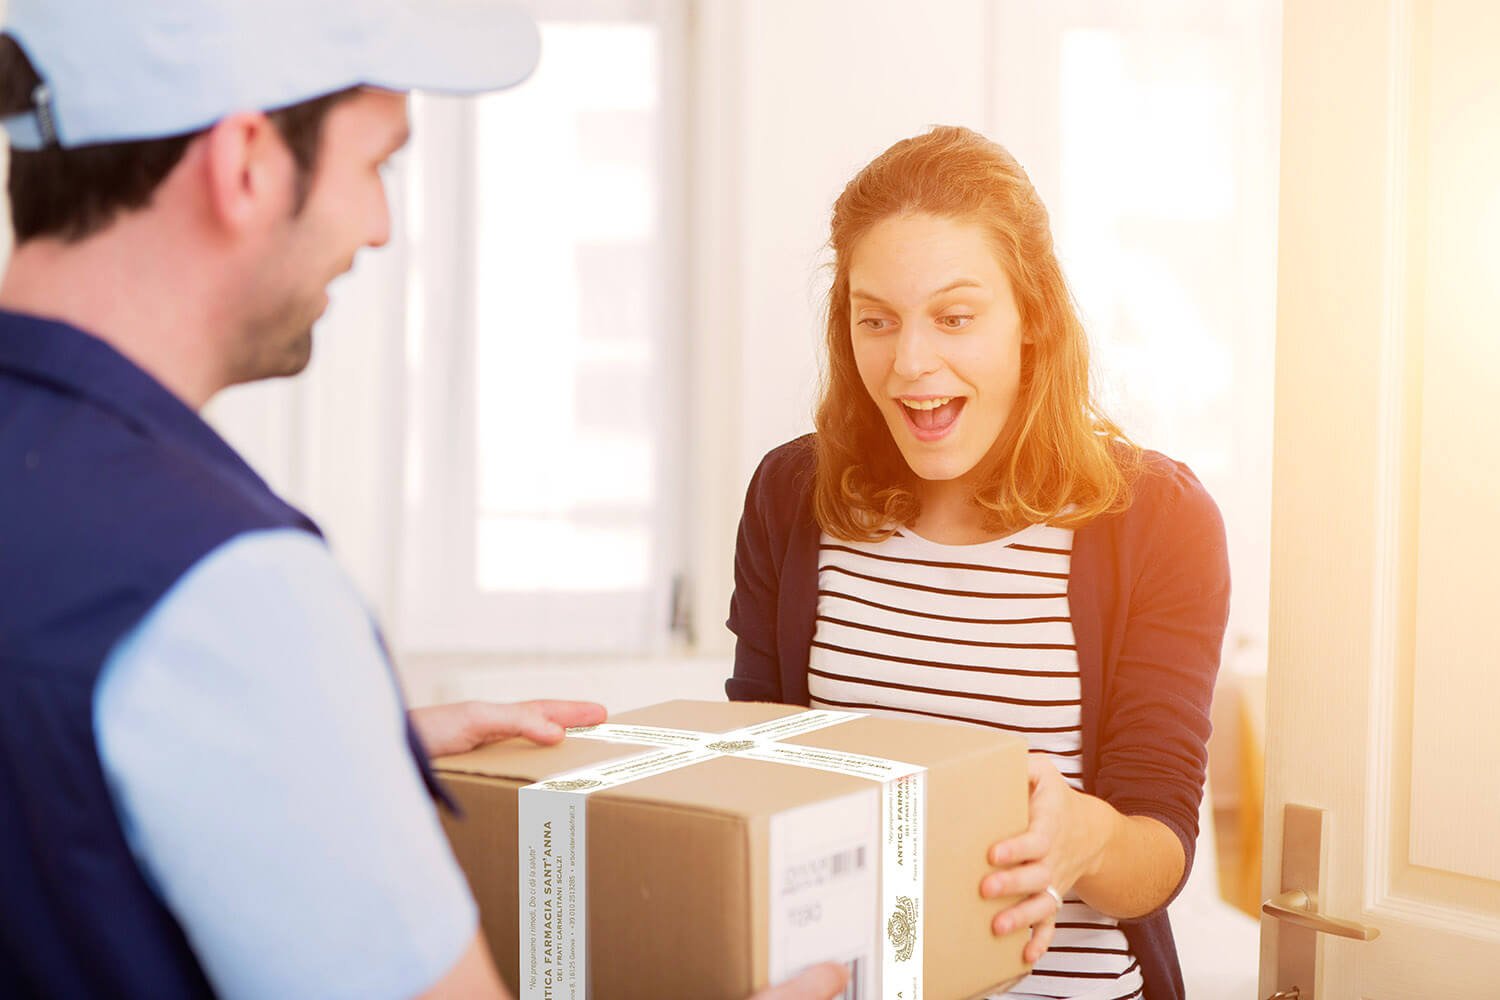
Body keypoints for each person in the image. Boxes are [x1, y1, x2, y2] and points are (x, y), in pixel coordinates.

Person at [0, 2, 845, 998]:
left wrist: (329, 751)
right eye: (376, 165)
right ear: (246, 165)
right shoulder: (228, 592)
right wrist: (292, 709)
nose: (380, 226)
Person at [726, 126, 1231, 1000]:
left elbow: (1160, 848)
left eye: (955, 318)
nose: (910, 365)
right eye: (874, 319)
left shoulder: (1158, 521)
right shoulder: (791, 496)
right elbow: (758, 780)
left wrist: (1087, 840)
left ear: (1032, 316)